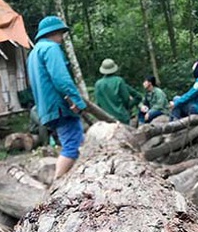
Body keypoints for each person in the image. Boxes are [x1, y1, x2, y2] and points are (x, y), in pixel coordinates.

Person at [27, 16, 86, 179]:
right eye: (60, 34)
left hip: (47, 108)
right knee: (72, 146)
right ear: (53, 32)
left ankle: (77, 178)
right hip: (60, 107)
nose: (61, 38)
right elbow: (61, 79)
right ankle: (57, 185)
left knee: (77, 141)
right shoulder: (51, 48)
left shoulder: (33, 54)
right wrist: (76, 100)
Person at [94, 59, 141, 124]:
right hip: (120, 117)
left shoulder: (98, 84)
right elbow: (126, 99)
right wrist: (128, 108)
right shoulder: (119, 81)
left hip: (104, 118)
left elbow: (98, 103)